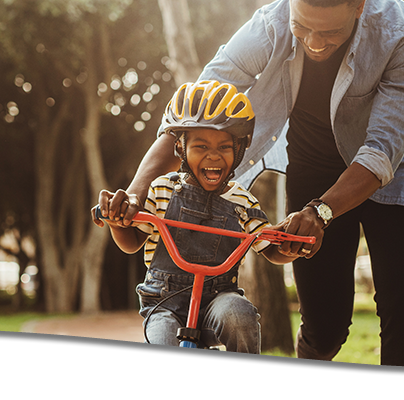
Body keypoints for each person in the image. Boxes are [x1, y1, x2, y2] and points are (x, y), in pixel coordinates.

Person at [98, 0, 404, 366]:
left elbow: (380, 153)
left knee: (402, 306)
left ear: (359, 6)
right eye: (302, 28)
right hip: (314, 168)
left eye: (329, 32)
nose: (313, 43)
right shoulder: (269, 25)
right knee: (324, 330)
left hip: (395, 169)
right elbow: (194, 114)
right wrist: (135, 194)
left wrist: (320, 211)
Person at [94, 80, 299, 354]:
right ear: (180, 147)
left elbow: (271, 249)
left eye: (224, 147)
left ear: (239, 150)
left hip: (219, 299)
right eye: (200, 146)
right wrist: (118, 224)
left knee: (239, 315)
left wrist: (292, 247)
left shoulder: (242, 200)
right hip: (165, 302)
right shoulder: (162, 189)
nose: (213, 156)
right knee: (163, 337)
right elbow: (131, 242)